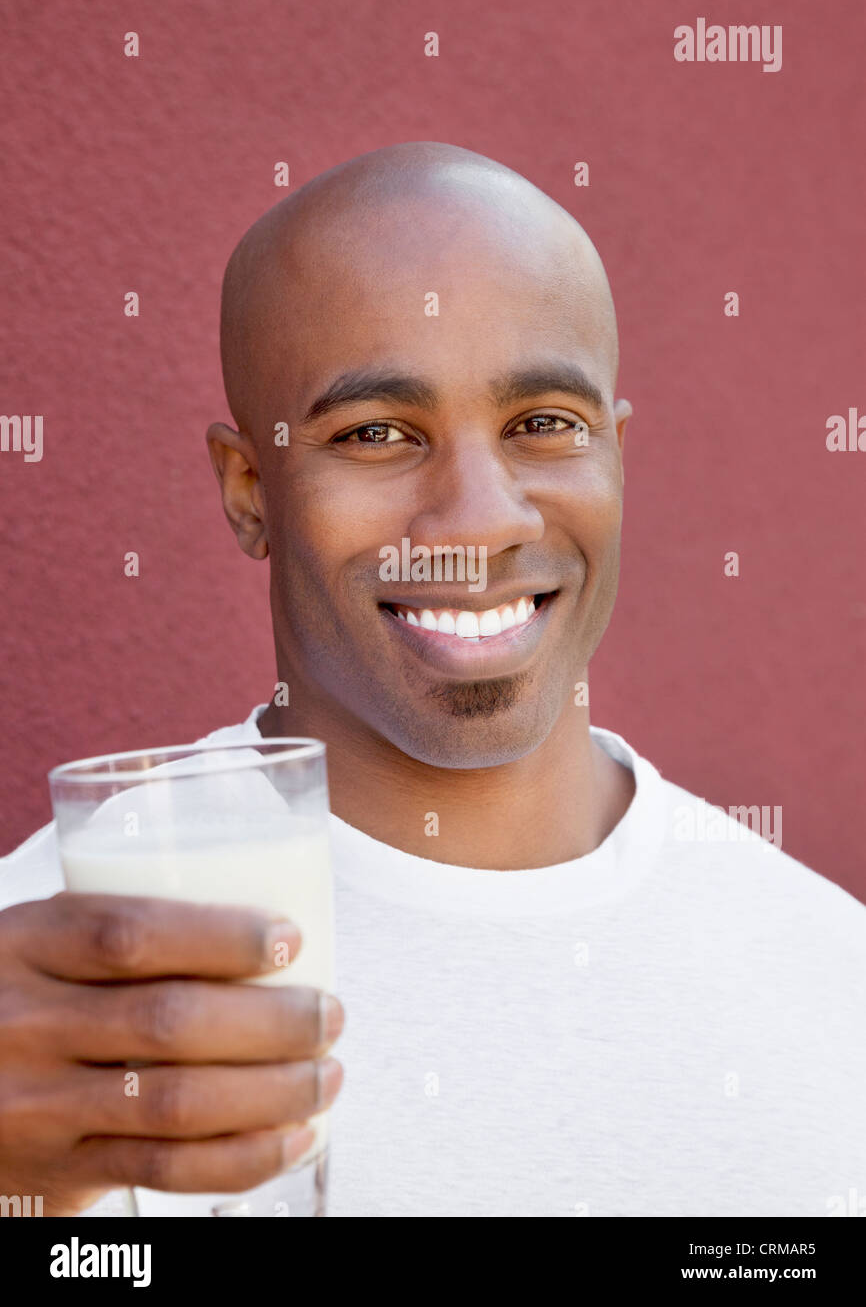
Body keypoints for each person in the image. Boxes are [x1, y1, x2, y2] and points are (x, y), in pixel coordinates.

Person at [1, 142, 863, 1218]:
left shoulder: (831, 978)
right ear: (247, 490)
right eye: (375, 434)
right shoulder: (54, 984)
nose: (478, 521)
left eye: (543, 423)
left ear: (616, 452)